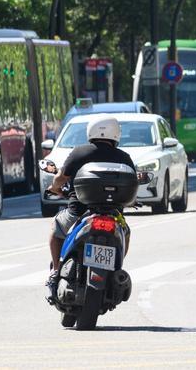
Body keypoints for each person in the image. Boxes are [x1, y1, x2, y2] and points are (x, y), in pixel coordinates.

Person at [45, 116, 136, 300]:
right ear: (116, 134)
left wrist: (54, 189)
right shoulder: (124, 158)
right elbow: (131, 186)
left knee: (56, 228)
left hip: (78, 214)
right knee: (126, 233)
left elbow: (60, 178)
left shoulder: (79, 153)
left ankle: (56, 271)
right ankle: (116, 270)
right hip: (114, 216)